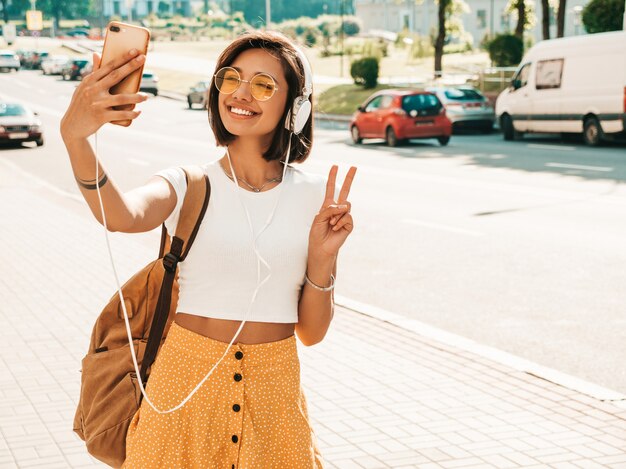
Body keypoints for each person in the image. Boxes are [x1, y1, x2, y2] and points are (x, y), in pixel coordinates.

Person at [60, 30, 357, 468]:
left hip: (274, 399)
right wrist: (76, 139)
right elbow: (120, 215)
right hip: (182, 391)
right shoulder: (189, 183)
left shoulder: (316, 198)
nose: (240, 93)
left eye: (263, 84)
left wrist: (323, 257)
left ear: (296, 107)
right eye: (231, 77)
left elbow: (311, 333)